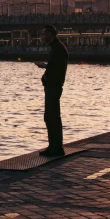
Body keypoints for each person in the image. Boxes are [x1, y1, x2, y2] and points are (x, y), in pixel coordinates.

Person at [36, 25, 69, 157]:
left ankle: (55, 147)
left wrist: (46, 75)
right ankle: (54, 146)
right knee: (51, 116)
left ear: (50, 34)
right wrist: (46, 67)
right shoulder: (57, 48)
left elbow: (56, 70)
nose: (42, 36)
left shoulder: (58, 49)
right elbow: (55, 66)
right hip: (53, 86)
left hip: (53, 87)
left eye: (44, 34)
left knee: (52, 117)